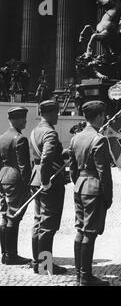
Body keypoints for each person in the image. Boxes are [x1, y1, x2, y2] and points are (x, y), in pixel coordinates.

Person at [69, 101, 112, 286]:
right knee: (90, 232)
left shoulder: (75, 138)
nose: (105, 118)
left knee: (80, 230)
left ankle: (79, 274)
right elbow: (104, 172)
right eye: (103, 115)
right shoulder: (99, 139)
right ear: (99, 116)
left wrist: (79, 182)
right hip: (93, 189)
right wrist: (108, 196)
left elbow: (72, 170)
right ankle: (86, 277)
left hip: (79, 187)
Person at [30, 100, 67, 275]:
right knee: (48, 225)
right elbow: (46, 158)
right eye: (57, 112)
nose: (58, 115)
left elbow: (45, 156)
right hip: (49, 182)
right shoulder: (50, 133)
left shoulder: (35, 130)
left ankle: (37, 261)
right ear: (50, 113)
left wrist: (64, 153)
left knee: (38, 221)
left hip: (35, 178)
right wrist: (46, 181)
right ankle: (45, 266)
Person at [0, 107, 32, 265]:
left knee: (5, 215)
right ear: (17, 120)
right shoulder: (20, 138)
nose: (25, 121)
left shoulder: (2, 137)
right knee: (14, 216)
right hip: (15, 179)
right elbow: (24, 166)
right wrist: (28, 186)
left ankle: (5, 254)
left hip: (3, 177)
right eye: (23, 118)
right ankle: (12, 255)